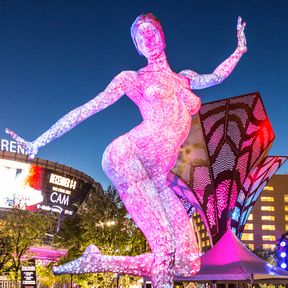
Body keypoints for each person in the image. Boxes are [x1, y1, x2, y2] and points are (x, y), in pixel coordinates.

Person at [6, 13, 247, 288]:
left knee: (188, 262)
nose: (147, 39)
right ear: (137, 47)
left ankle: (98, 262)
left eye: (150, 32)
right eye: (139, 37)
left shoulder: (185, 78)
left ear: (162, 36)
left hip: (159, 176)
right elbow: (87, 109)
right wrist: (39, 141)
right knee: (165, 244)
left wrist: (239, 50)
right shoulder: (133, 78)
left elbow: (216, 76)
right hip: (128, 156)